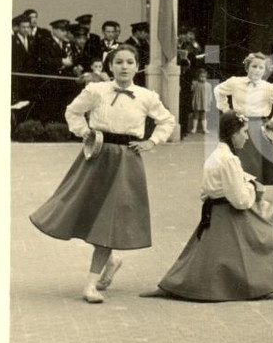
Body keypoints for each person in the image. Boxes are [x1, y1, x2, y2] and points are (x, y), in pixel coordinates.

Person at [29, 44, 175, 303]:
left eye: (130, 62)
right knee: (85, 213)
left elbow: (167, 121)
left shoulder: (146, 96)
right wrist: (83, 131)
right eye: (118, 62)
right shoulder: (96, 90)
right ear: (110, 66)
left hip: (126, 162)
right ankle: (111, 261)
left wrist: (151, 142)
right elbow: (73, 111)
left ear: (137, 66)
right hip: (96, 158)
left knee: (108, 221)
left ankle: (90, 285)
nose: (124, 67)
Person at [140, 111, 273, 301]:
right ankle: (253, 284)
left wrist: (242, 182)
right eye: (245, 132)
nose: (247, 137)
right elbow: (239, 200)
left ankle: (180, 285)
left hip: (216, 210)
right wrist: (250, 187)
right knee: (267, 240)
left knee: (206, 254)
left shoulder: (217, 154)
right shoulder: (229, 159)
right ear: (233, 135)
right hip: (228, 213)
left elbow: (210, 189)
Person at [213, 52, 273, 186]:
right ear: (247, 67)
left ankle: (254, 190)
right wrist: (226, 110)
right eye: (254, 66)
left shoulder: (269, 88)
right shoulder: (235, 82)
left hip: (258, 126)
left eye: (261, 68)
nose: (257, 70)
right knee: (236, 156)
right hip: (238, 123)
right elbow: (218, 91)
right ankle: (235, 188)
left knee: (254, 160)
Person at [126, 22, 150, 86]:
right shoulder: (128, 44)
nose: (147, 35)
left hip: (143, 74)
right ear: (138, 32)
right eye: (145, 32)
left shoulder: (145, 43)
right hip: (135, 75)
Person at [190, 68, 213, 134]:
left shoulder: (208, 85)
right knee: (196, 114)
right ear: (198, 76)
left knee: (204, 115)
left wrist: (210, 100)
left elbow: (210, 93)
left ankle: (204, 129)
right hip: (197, 101)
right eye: (201, 76)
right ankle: (194, 128)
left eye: (204, 77)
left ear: (206, 77)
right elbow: (192, 91)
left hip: (205, 102)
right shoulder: (195, 84)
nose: (202, 78)